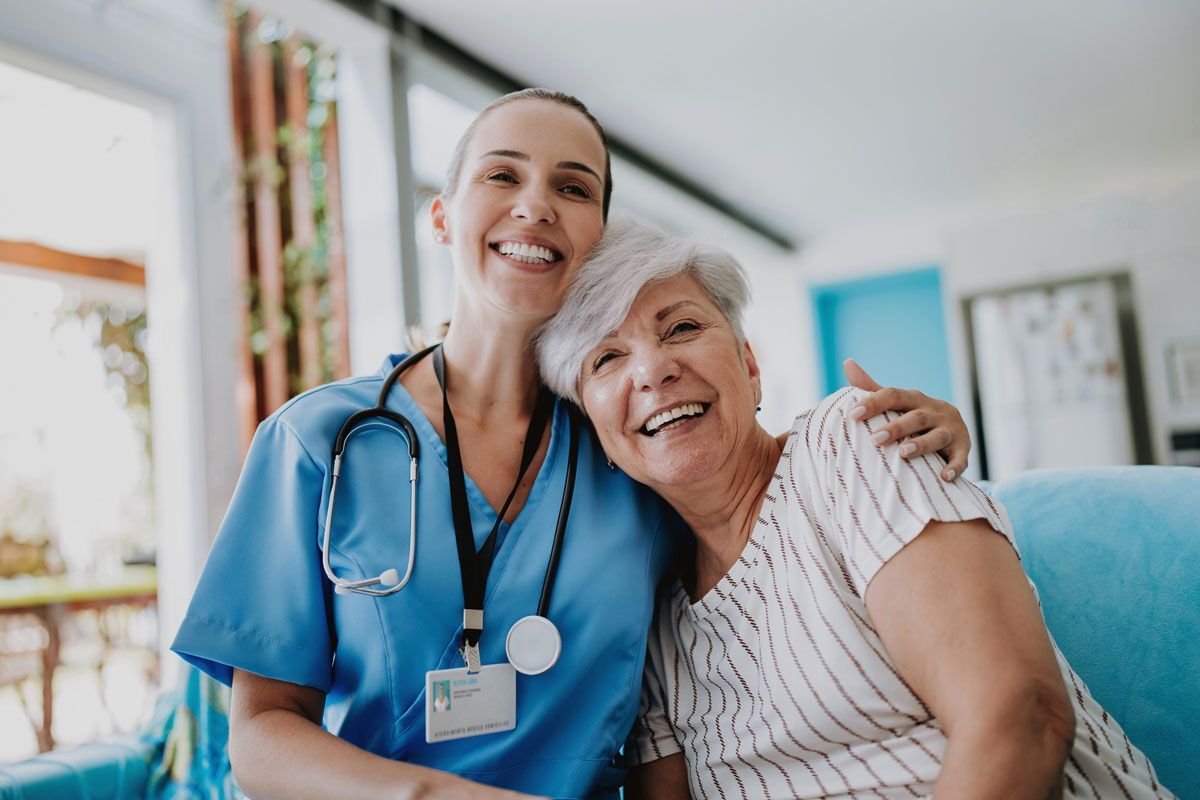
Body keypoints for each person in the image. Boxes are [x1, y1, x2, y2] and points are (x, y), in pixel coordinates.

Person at [171, 89, 974, 800]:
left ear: (595, 237)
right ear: (443, 216)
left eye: (572, 186)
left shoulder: (628, 443)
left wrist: (888, 435)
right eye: (502, 175)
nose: (535, 204)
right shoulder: (320, 442)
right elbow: (262, 739)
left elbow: (760, 492)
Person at [536, 217, 1174, 799]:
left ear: (749, 366)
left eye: (682, 327)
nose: (652, 370)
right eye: (607, 359)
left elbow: (1019, 719)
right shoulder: (648, 616)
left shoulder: (848, 444)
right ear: (594, 431)